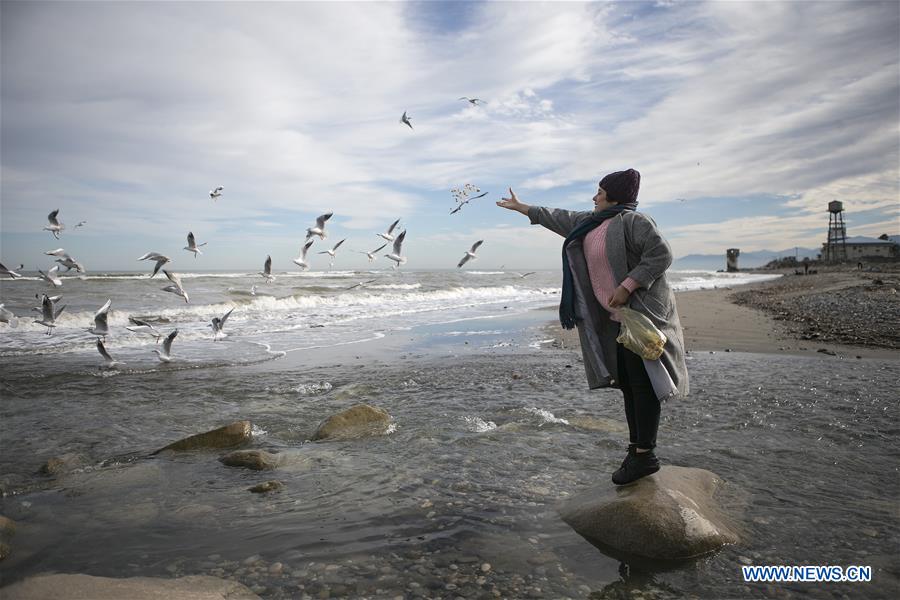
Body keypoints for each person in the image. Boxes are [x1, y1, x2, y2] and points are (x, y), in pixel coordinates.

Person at [497, 169, 688, 485]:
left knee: (643, 386)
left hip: (641, 318)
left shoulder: (633, 222)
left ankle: (645, 455)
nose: (594, 197)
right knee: (628, 384)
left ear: (614, 196)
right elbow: (557, 216)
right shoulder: (591, 223)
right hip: (616, 321)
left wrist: (627, 285)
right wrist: (522, 207)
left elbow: (661, 254)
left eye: (599, 192)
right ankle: (637, 449)